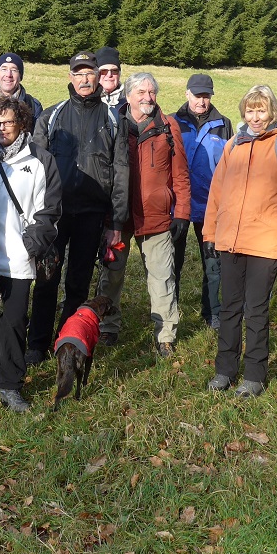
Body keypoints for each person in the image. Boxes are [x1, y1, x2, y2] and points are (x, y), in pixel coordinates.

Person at [204, 85, 277, 398]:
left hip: (265, 245)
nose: (255, 116)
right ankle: (224, 370)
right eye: (250, 110)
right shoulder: (234, 144)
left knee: (256, 311)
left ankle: (254, 375)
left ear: (272, 111)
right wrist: (211, 232)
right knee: (229, 310)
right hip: (231, 242)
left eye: (261, 110)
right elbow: (217, 192)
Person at [28, 51, 129, 365]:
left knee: (78, 282)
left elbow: (122, 171)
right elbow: (35, 167)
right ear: (70, 77)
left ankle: (67, 338)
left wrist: (116, 221)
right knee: (46, 278)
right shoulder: (51, 116)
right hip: (54, 214)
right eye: (78, 74)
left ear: (98, 77)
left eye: (90, 73)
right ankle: (36, 344)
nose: (85, 80)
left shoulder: (114, 120)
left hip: (92, 214)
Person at [0, 97, 62, 411]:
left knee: (12, 321)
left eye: (8, 122)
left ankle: (11, 384)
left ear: (22, 124)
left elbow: (49, 210)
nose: (1, 128)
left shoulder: (40, 160)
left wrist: (31, 246)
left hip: (18, 258)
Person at [95, 72, 190, 357]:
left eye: (152, 92)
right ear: (128, 95)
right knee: (111, 274)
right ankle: (108, 326)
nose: (148, 98)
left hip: (156, 216)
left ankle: (165, 336)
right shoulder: (112, 123)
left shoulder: (168, 126)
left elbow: (181, 174)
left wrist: (182, 212)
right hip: (118, 216)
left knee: (162, 277)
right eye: (141, 92)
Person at [171, 73, 231, 331]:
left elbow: (231, 167)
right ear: (187, 93)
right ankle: (170, 310)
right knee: (173, 261)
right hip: (178, 205)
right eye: (197, 95)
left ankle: (212, 311)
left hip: (211, 207)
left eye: (206, 96)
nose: (201, 101)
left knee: (213, 263)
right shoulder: (172, 122)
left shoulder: (224, 124)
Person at [0, 53, 43, 127]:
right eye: (4, 69)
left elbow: (38, 136)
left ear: (20, 76)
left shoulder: (33, 106)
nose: (8, 75)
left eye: (14, 70)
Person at [96, 46, 127, 111]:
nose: (109, 75)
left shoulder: (130, 99)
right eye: (103, 71)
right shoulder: (87, 99)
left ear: (119, 73)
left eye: (114, 70)